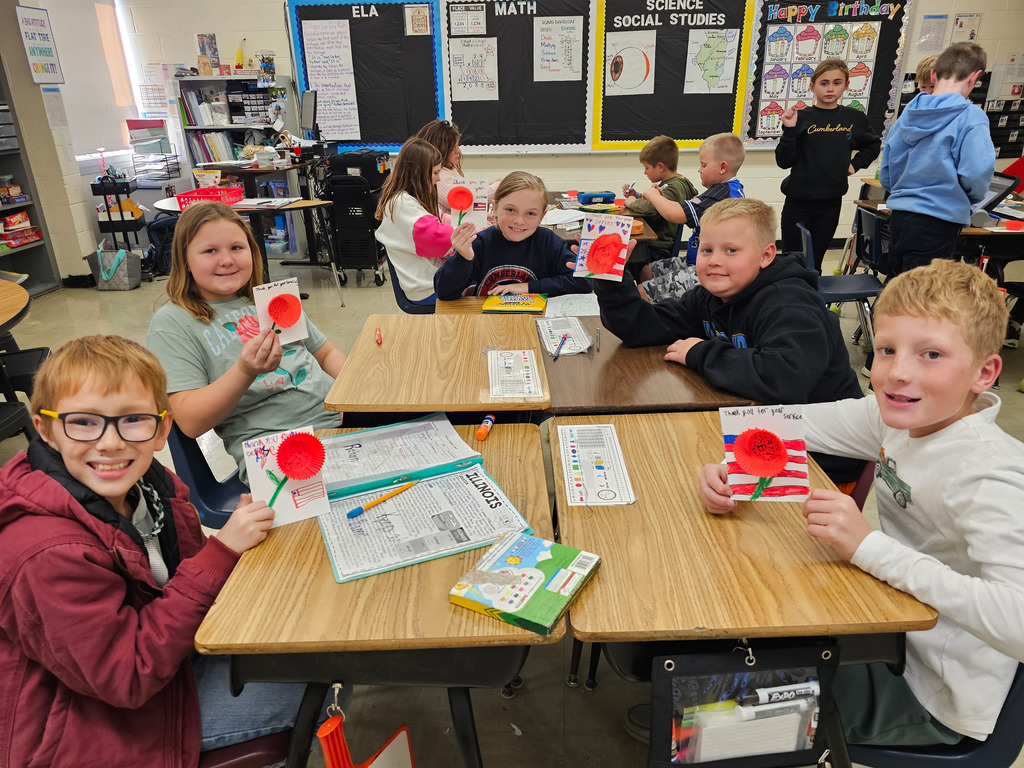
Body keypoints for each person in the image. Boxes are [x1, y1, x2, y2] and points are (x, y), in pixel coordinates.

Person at [699, 259, 1024, 746]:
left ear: (984, 372)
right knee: (724, 652)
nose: (897, 373)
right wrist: (735, 462)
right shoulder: (898, 417)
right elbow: (783, 426)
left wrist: (868, 546)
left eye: (931, 355)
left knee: (704, 723)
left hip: (932, 692)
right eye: (887, 349)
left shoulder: (988, 472)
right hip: (888, 632)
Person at [0, 335, 305, 766]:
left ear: (162, 429)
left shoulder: (148, 485)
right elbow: (127, 676)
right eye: (84, 422)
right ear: (46, 430)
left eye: (133, 420)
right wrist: (220, 556)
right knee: (321, 673)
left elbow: (184, 579)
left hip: (167, 662)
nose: (110, 443)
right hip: (95, 726)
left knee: (304, 638)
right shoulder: (45, 553)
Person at [594, 198, 864, 487]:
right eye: (706, 249)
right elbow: (642, 328)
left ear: (766, 256)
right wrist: (610, 280)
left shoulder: (789, 304)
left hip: (820, 464)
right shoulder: (710, 297)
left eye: (731, 250)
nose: (714, 260)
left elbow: (784, 378)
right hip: (759, 435)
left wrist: (700, 352)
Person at [147, 202, 346, 479]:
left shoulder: (266, 298)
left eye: (237, 248)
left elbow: (324, 352)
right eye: (210, 251)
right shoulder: (172, 324)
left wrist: (353, 390)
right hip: (274, 447)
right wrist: (245, 371)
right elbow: (190, 421)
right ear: (184, 259)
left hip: (338, 421)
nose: (226, 259)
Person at [880, 42, 995, 276]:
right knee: (923, 298)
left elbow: (887, 173)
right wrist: (966, 198)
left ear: (933, 74)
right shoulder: (971, 117)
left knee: (898, 287)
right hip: (939, 220)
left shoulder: (909, 113)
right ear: (975, 78)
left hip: (901, 217)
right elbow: (976, 173)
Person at [776, 59, 880, 272]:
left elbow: (873, 144)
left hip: (830, 203)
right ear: (812, 86)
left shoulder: (854, 118)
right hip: (798, 202)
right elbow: (783, 161)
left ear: (846, 85)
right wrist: (789, 130)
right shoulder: (801, 117)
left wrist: (855, 164)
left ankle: (812, 302)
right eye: (824, 83)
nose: (830, 88)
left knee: (815, 261)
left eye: (837, 82)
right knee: (791, 260)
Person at [433, 171, 592, 299]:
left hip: (534, 325)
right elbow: (444, 292)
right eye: (510, 210)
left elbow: (584, 282)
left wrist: (528, 287)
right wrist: (463, 258)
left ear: (542, 216)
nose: (519, 221)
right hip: (488, 327)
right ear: (494, 208)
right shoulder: (480, 243)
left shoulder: (548, 242)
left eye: (530, 213)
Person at [636, 132, 746, 302]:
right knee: (646, 271)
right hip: (699, 260)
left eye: (703, 165)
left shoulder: (722, 195)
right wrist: (660, 199)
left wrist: (652, 196)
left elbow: (674, 213)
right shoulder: (723, 190)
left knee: (641, 293)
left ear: (722, 167)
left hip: (713, 270)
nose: (699, 170)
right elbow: (686, 208)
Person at [374, 137, 454, 306]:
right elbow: (441, 239)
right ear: (418, 173)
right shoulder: (402, 204)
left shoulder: (405, 198)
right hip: (427, 288)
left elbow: (440, 221)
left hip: (428, 282)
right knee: (483, 286)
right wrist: (477, 232)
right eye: (435, 173)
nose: (438, 179)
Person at [620, 135, 698, 263]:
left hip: (657, 248)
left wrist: (633, 202)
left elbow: (652, 207)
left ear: (661, 167)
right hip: (654, 244)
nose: (645, 172)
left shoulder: (674, 187)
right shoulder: (676, 182)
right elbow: (659, 201)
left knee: (618, 256)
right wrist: (638, 195)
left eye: (647, 167)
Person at [414, 119, 499, 218]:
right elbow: (470, 197)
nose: (457, 152)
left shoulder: (449, 170)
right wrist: (498, 187)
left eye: (457, 146)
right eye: (452, 148)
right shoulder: (440, 176)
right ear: (440, 150)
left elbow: (469, 187)